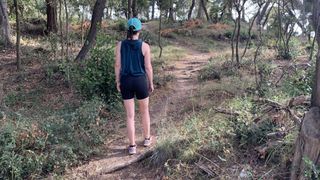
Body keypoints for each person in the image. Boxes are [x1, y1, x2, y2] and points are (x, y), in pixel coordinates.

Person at [114, 17, 154, 155]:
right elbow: (148, 67)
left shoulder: (120, 45)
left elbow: (118, 65)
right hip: (140, 81)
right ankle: (147, 139)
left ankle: (132, 146)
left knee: (130, 116)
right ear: (139, 30)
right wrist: (151, 82)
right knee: (144, 112)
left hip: (126, 81)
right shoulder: (145, 46)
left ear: (128, 30)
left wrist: (117, 81)